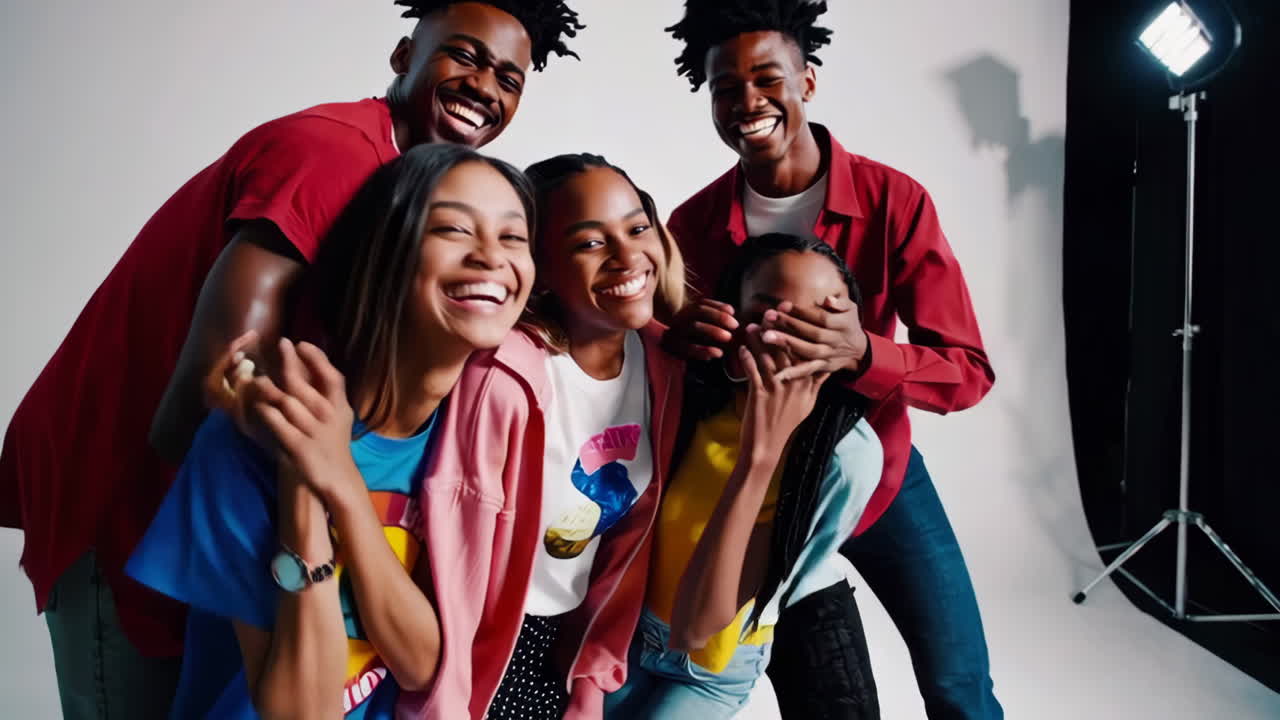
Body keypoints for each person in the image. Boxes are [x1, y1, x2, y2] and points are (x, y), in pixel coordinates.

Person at [0, 1, 580, 717]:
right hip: (123, 479)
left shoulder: (409, 182)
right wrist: (283, 478)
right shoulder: (334, 154)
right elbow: (222, 379)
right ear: (404, 55)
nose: (484, 86)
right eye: (462, 55)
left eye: (509, 77)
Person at [661, 2, 1000, 718]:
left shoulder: (893, 200)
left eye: (767, 79)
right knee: (806, 686)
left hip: (874, 471)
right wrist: (691, 339)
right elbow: (675, 370)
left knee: (957, 682)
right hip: (755, 484)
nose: (747, 103)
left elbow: (966, 370)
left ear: (807, 81)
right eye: (726, 88)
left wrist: (864, 352)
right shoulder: (691, 224)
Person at [126, 143, 538, 719]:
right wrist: (300, 477)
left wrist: (341, 484)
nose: (492, 257)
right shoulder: (248, 438)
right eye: (452, 229)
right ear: (385, 252)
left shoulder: (467, 435)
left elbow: (423, 666)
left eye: (513, 237)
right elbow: (302, 712)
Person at [604, 233, 881, 720]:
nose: (790, 336)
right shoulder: (684, 392)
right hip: (626, 631)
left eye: (818, 317)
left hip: (713, 669)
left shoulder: (844, 457)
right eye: (769, 313)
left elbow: (698, 628)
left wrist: (762, 453)